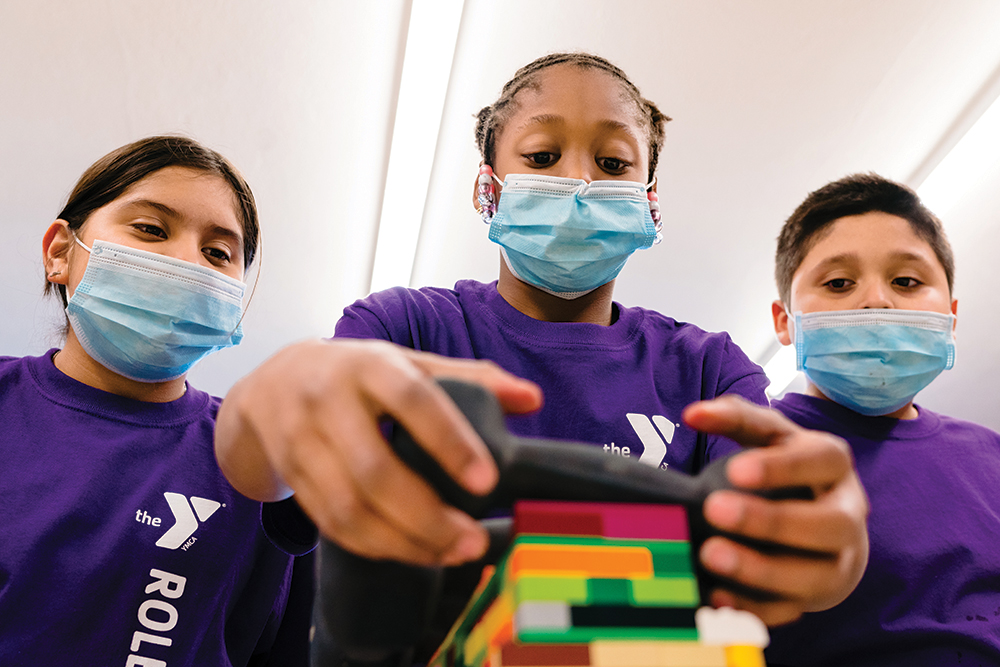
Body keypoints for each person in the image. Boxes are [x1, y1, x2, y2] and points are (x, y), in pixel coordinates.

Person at [216, 53, 869, 628]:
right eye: (542, 156)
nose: (578, 182)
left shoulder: (708, 370)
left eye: (613, 163)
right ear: (487, 188)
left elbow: (773, 525)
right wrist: (263, 404)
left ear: (650, 203)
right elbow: (270, 471)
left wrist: (831, 547)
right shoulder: (399, 332)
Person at [0, 136, 312, 666]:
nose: (185, 262)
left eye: (218, 253)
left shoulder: (263, 462)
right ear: (60, 252)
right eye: (150, 229)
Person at [763, 173, 1000, 665]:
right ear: (785, 322)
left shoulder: (991, 456)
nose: (877, 300)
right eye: (839, 283)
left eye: (907, 282)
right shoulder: (749, 452)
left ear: (950, 318)